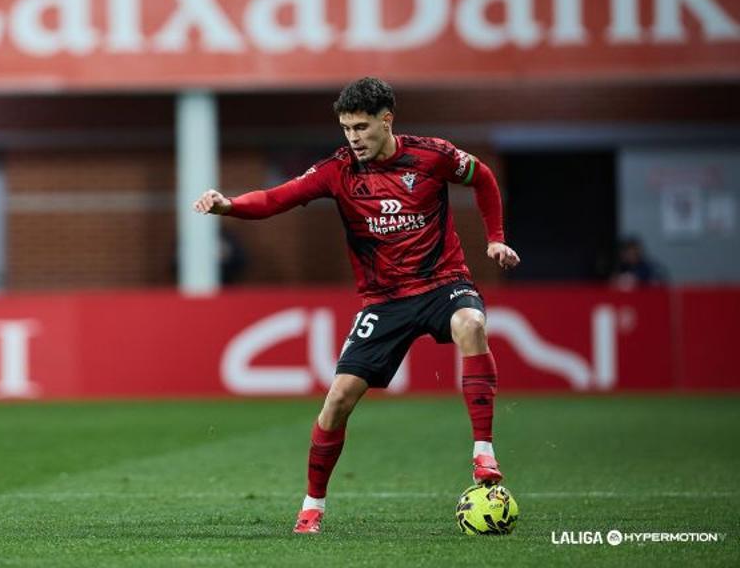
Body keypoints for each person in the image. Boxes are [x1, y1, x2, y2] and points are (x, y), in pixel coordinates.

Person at [193, 77, 521, 535]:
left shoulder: (432, 155)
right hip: (383, 300)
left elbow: (482, 177)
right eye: (346, 128)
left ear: (387, 121)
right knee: (338, 400)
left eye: (362, 127)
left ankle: (483, 453)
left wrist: (496, 239)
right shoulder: (337, 170)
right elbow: (275, 199)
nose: (353, 137)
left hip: (442, 282)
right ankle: (312, 506)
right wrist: (228, 205)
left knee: (472, 323)